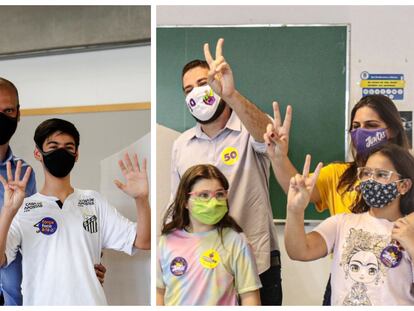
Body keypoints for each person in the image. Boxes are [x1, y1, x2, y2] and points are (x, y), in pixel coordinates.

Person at [264, 94, 410, 304]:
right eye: (356, 126)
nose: (361, 132)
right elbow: (298, 191)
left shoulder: (406, 177)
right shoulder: (340, 182)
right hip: (347, 280)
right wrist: (279, 158)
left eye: (371, 125)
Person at [169, 38, 281, 305]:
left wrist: (230, 93)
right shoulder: (181, 145)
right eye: (187, 90)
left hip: (257, 262)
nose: (195, 93)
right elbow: (177, 207)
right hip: (202, 267)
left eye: (202, 84)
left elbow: (269, 135)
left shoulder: (248, 130)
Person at [0, 118, 150, 305]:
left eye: (68, 147)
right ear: (38, 153)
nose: (61, 152)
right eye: (53, 146)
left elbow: (144, 241)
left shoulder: (94, 201)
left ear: (77, 154)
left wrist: (141, 199)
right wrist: (7, 211)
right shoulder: (23, 208)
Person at [0, 78, 106, 306]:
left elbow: (35, 232)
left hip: (16, 298)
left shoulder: (23, 174)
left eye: (7, 110)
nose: (2, 117)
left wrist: (79, 269)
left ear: (18, 114)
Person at [284, 144, 414, 305]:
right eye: (366, 173)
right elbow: (299, 251)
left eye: (381, 174)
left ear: (404, 185)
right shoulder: (341, 223)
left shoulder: (410, 229)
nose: (371, 180)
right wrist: (294, 211)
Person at [157, 164, 261, 305]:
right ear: (185, 201)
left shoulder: (236, 240)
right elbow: (159, 292)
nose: (213, 202)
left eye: (219, 194)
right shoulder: (167, 240)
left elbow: (250, 296)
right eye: (204, 195)